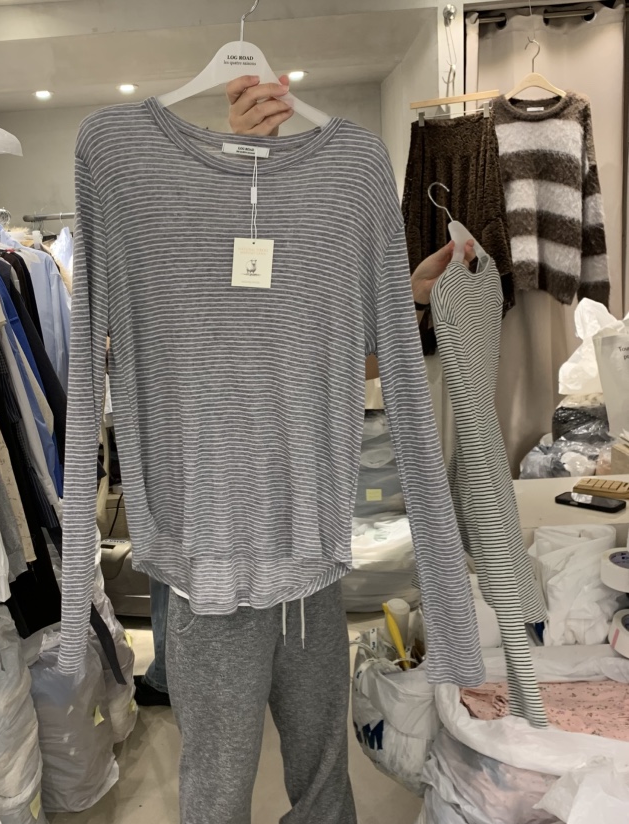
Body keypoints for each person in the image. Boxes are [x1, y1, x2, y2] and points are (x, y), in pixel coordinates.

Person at [133, 74, 474, 709]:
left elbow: (336, 361)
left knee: (320, 753)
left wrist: (410, 298)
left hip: (307, 548)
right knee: (220, 763)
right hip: (211, 560)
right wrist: (230, 180)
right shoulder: (173, 229)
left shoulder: (318, 218)